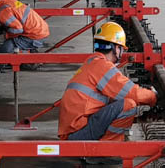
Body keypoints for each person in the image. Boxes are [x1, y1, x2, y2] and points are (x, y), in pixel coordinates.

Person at [58, 22, 157, 156]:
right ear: (116, 49)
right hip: (77, 135)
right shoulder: (102, 66)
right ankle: (106, 152)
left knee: (119, 102)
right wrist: (153, 97)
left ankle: (105, 148)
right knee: (128, 105)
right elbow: (132, 93)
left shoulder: (91, 62)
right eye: (121, 48)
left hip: (72, 131)